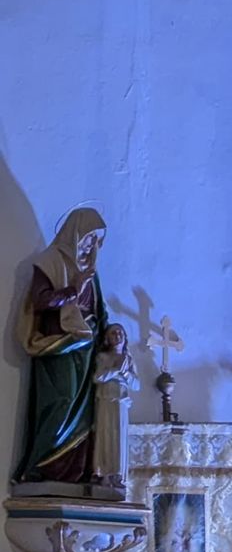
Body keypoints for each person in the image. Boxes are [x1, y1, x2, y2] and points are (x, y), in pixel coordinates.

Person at [13, 208, 126, 488]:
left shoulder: (91, 273)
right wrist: (73, 290)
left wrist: (112, 335)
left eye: (96, 242)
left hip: (87, 350)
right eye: (88, 239)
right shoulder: (49, 262)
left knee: (85, 414)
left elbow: (99, 311)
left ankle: (76, 474)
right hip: (59, 346)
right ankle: (40, 468)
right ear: (74, 234)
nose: (91, 246)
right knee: (60, 402)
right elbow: (41, 302)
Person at [91, 325, 140, 495]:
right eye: (113, 332)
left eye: (121, 332)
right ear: (107, 338)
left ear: (125, 337)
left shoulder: (129, 358)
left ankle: (117, 474)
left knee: (119, 437)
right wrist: (115, 370)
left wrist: (125, 374)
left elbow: (136, 384)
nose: (117, 335)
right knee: (106, 435)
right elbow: (97, 377)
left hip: (121, 401)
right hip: (106, 399)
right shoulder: (103, 357)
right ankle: (103, 472)